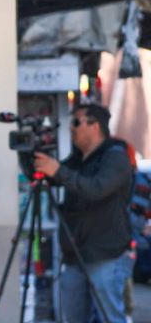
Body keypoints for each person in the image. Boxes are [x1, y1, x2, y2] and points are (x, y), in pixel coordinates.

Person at [34, 104, 134, 323]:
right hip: (74, 256)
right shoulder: (78, 159)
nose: (72, 128)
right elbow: (50, 177)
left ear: (94, 126)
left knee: (110, 318)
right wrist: (34, 154)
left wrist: (58, 170)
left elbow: (95, 189)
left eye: (77, 122)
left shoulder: (115, 157)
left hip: (105, 255)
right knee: (75, 318)